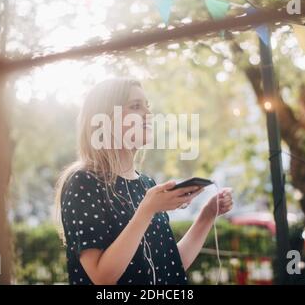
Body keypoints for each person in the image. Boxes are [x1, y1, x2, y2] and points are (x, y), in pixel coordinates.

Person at [55, 78, 233, 285]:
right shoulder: (83, 182)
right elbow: (102, 277)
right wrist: (146, 210)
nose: (148, 115)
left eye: (147, 107)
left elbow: (170, 266)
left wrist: (207, 215)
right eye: (136, 106)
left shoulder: (146, 184)